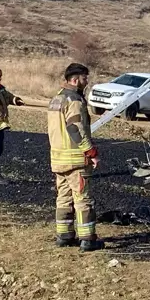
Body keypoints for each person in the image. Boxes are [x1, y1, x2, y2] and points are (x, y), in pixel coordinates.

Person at [47, 63, 103, 252]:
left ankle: (64, 236)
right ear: (75, 79)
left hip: (58, 159)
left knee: (63, 198)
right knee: (82, 199)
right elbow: (75, 128)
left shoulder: (56, 99)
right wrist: (91, 152)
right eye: (84, 78)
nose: (86, 82)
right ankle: (87, 239)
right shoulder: (75, 101)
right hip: (75, 160)